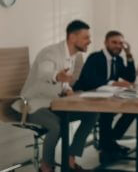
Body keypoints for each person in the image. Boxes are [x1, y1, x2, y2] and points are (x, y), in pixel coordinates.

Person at [12, 20, 97, 172]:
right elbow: (45, 72)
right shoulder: (50, 52)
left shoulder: (73, 57)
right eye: (86, 37)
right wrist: (58, 76)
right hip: (33, 105)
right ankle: (46, 167)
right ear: (72, 37)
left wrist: (67, 88)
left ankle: (70, 159)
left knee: (92, 113)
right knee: (56, 126)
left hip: (55, 104)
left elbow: (64, 82)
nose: (89, 41)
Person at [74, 30, 136, 164]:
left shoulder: (118, 60)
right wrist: (113, 83)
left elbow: (131, 77)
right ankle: (108, 145)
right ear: (106, 43)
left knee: (134, 110)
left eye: (120, 43)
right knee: (106, 113)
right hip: (86, 97)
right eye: (114, 42)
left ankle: (108, 142)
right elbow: (90, 80)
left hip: (106, 97)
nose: (118, 46)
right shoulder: (95, 57)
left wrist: (129, 54)